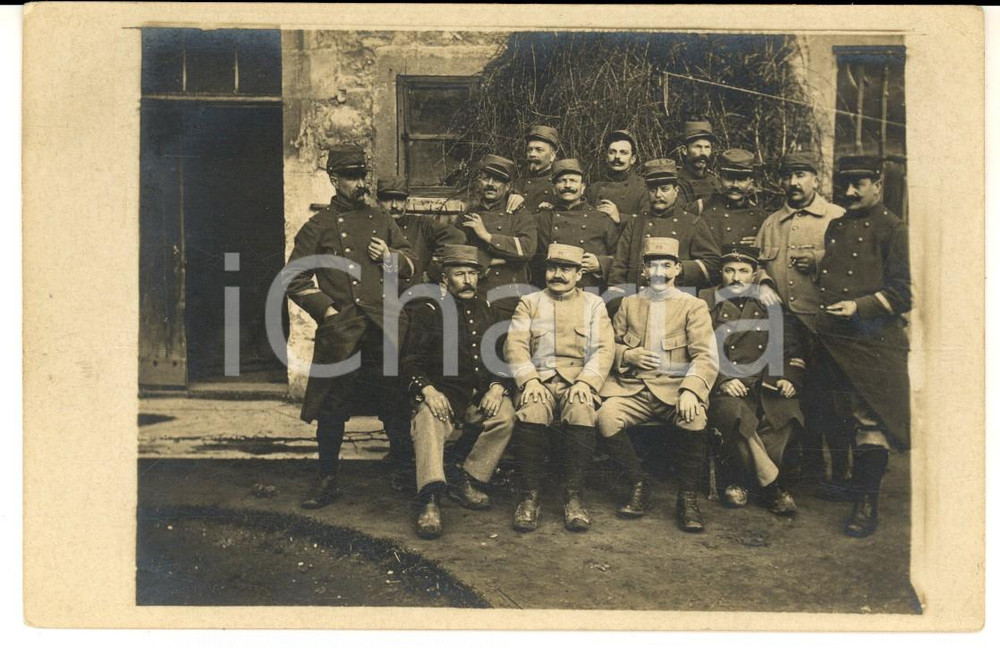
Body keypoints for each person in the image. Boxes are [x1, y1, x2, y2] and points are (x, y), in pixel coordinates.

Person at [282, 145, 415, 509]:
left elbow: (410, 261)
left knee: (395, 402)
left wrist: (391, 258)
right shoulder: (319, 226)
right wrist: (326, 312)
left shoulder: (381, 219)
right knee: (332, 408)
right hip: (342, 332)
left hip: (383, 328)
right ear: (334, 179)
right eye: (352, 177)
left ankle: (404, 470)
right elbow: (294, 278)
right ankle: (327, 479)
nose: (361, 184)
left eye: (363, 176)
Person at [816, 155, 912, 537]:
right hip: (836, 338)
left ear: (878, 184)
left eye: (859, 184)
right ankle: (850, 483)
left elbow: (904, 293)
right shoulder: (837, 225)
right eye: (846, 184)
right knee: (839, 414)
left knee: (869, 421)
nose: (851, 192)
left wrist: (859, 306)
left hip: (874, 341)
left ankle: (867, 502)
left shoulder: (895, 229)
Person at [597, 237, 719, 533]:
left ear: (677, 269)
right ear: (643, 270)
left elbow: (706, 355)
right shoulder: (629, 303)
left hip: (675, 390)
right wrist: (628, 354)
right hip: (634, 389)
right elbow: (608, 344)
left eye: (667, 265)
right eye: (653, 265)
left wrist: (691, 390)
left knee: (694, 418)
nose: (659, 272)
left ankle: (687, 498)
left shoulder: (693, 306)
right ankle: (639, 484)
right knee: (605, 417)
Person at [400, 244, 516, 539]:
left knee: (505, 417)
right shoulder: (428, 311)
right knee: (428, 419)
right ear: (445, 278)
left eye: (472, 274)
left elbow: (499, 358)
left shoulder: (487, 309)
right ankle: (429, 497)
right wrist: (428, 391)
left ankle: (467, 477)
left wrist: (497, 387)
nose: (467, 280)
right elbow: (410, 361)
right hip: (445, 393)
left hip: (478, 393)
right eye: (460, 274)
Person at [504, 244, 615, 532]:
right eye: (553, 268)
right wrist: (529, 380)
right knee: (532, 411)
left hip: (577, 381)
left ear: (579, 274)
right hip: (538, 380)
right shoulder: (529, 302)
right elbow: (514, 346)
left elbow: (603, 349)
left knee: (581, 410)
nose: (558, 275)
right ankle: (530, 496)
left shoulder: (594, 304)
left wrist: (586, 382)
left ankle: (573, 495)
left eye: (566, 269)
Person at [754, 151, 847, 492]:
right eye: (789, 176)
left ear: (816, 180)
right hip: (786, 327)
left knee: (830, 401)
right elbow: (756, 264)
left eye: (802, 175)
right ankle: (803, 471)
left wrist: (821, 261)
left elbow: (855, 268)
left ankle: (840, 475)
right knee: (792, 397)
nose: (793, 183)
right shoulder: (772, 223)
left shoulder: (836, 218)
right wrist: (762, 281)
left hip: (826, 326)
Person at [700, 244, 805, 515]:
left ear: (755, 274)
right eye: (729, 270)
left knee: (785, 413)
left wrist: (789, 378)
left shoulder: (768, 303)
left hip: (763, 383)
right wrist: (722, 379)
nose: (736, 277)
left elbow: (792, 348)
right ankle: (772, 488)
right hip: (723, 386)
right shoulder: (704, 303)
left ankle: (740, 481)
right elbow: (695, 351)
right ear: (720, 273)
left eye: (743, 271)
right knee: (735, 415)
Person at [607, 158, 721, 292]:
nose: (658, 195)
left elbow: (713, 264)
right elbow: (619, 266)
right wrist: (620, 301)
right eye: (652, 190)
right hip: (639, 299)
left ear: (676, 190)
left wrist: (679, 269)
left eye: (664, 189)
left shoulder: (692, 223)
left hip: (678, 301)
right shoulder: (636, 223)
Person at [459, 154, 539, 319]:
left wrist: (487, 236)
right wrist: (490, 260)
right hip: (475, 295)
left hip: (508, 297)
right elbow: (457, 251)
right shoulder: (469, 214)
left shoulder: (519, 214)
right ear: (478, 182)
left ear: (508, 186)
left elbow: (527, 249)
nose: (490, 184)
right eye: (485, 178)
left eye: (497, 180)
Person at [534, 158, 620, 291]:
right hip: (550, 291)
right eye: (562, 181)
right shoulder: (542, 219)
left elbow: (622, 257)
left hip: (590, 293)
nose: (567, 185)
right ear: (554, 189)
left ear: (583, 188)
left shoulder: (600, 219)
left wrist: (601, 263)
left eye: (573, 181)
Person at [376, 175, 464, 292]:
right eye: (387, 200)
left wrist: (433, 272)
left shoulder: (422, 224)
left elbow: (457, 237)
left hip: (417, 298)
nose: (394, 205)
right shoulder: (370, 227)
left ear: (407, 202)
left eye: (399, 199)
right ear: (378, 202)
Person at [699, 148, 769, 249]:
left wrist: (763, 244)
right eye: (729, 178)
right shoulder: (705, 213)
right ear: (719, 180)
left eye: (741, 179)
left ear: (751, 183)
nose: (735, 185)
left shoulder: (762, 218)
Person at [585, 129, 649, 228]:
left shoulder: (642, 188)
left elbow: (649, 224)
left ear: (633, 159)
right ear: (606, 157)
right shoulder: (594, 189)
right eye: (612, 152)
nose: (617, 157)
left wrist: (620, 217)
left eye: (623, 152)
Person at [676, 120, 721, 214]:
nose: (703, 152)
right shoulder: (678, 182)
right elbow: (681, 214)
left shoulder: (714, 180)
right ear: (684, 150)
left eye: (707, 147)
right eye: (698, 147)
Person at [512, 125, 560, 212]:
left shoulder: (560, 186)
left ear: (552, 156)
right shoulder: (517, 185)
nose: (532, 154)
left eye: (539, 150)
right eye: (529, 150)